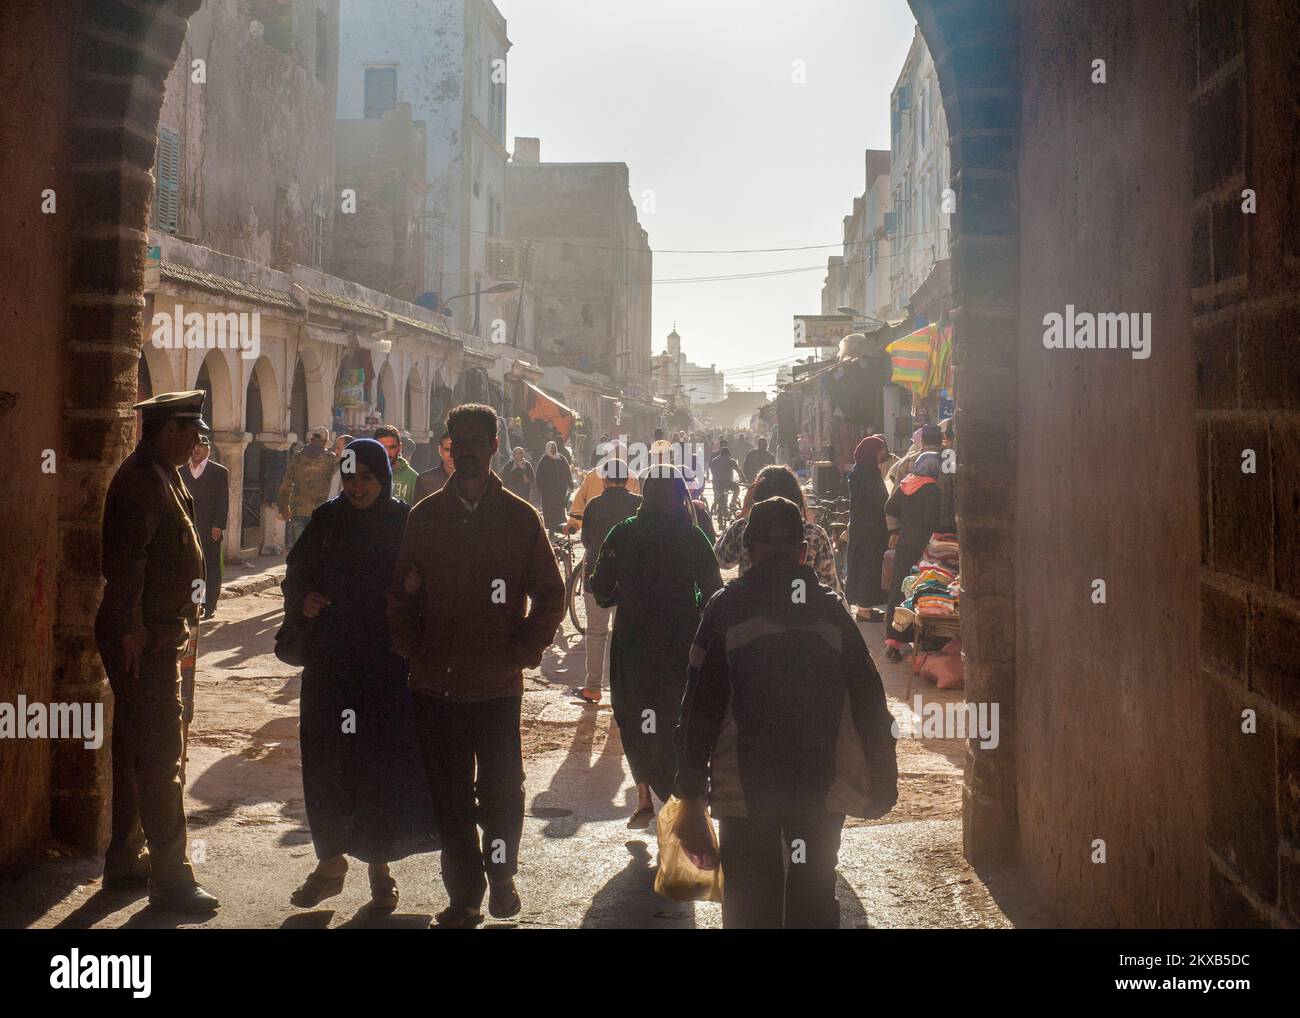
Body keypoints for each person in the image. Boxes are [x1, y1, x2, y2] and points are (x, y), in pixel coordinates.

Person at [672, 496, 898, 928]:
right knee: (813, 895)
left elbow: (698, 705)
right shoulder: (831, 611)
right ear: (802, 550)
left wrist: (690, 789)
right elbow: (870, 700)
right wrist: (882, 781)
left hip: (744, 790)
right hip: (818, 785)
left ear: (749, 550)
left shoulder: (725, 609)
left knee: (751, 905)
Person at [387, 404, 565, 929]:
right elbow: (399, 595)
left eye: (475, 442)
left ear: (494, 447)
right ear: (448, 446)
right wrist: (411, 647)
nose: (465, 451)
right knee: (450, 800)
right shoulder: (425, 518)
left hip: (496, 688)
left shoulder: (518, 518)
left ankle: (502, 871)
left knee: (503, 790)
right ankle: (465, 895)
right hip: (434, 687)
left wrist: (522, 651)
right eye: (456, 441)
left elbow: (551, 597)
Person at [283, 439, 436, 912]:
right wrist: (304, 598)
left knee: (377, 766)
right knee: (328, 763)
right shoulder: (328, 520)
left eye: (367, 478)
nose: (357, 487)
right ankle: (330, 864)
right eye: (349, 478)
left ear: (384, 478)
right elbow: (296, 572)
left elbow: (426, 584)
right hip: (332, 665)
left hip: (384, 667)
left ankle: (379, 870)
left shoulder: (403, 522)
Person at [95, 390, 219, 913]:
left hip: (157, 632)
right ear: (168, 428)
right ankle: (172, 876)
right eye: (192, 429)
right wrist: (132, 630)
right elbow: (127, 562)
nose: (198, 439)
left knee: (134, 749)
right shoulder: (144, 480)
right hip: (144, 637)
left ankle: (126, 858)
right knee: (162, 754)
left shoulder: (162, 474)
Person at [588, 465, 722, 828]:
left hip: (634, 642)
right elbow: (714, 592)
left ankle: (645, 794)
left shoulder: (622, 534)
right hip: (682, 643)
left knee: (634, 715)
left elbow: (599, 589)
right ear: (680, 496)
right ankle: (684, 795)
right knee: (678, 716)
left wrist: (623, 594)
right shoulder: (693, 536)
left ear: (645, 494)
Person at [571, 458, 642, 706]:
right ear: (627, 480)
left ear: (604, 480)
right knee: (624, 635)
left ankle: (592, 688)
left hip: (597, 576)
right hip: (630, 580)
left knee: (596, 633)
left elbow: (587, 540)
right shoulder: (639, 503)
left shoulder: (594, 504)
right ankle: (623, 691)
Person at [715, 464, 842, 597]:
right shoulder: (814, 533)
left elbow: (721, 560)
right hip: (800, 608)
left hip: (751, 608)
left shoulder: (742, 528)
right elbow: (830, 584)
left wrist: (742, 513)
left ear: (756, 497)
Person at [883, 451, 942, 661]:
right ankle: (922, 639)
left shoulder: (907, 484)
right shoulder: (932, 489)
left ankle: (893, 638)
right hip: (924, 546)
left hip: (905, 543)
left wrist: (906, 518)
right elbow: (932, 520)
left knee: (898, 588)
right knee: (922, 589)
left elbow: (889, 506)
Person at [181, 436, 229, 620]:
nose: (196, 449)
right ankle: (197, 603)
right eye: (194, 446)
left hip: (210, 528)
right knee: (194, 567)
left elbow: (222, 501)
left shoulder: (218, 472)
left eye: (200, 445)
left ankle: (210, 604)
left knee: (211, 567)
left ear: (208, 448)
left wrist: (218, 525)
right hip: (190, 528)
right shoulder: (182, 472)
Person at [844, 435, 890, 611]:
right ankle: (864, 605)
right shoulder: (866, 471)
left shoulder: (864, 469)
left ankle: (865, 605)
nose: (882, 454)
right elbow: (878, 498)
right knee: (867, 564)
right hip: (868, 527)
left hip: (865, 525)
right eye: (879, 450)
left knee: (865, 563)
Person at [277, 426, 337, 550]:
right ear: (325, 440)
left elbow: (285, 486)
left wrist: (284, 508)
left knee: (300, 549)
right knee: (318, 548)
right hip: (321, 511)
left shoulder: (297, 457)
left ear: (310, 439)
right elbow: (336, 486)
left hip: (299, 509)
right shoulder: (331, 459)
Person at [567, 444, 641, 531]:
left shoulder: (593, 475)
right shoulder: (631, 477)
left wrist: (573, 524)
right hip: (625, 535)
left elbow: (579, 503)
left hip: (597, 534)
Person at [373, 425, 420, 504]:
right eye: (383, 448)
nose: (387, 453)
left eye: (392, 447)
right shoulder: (365, 475)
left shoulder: (414, 479)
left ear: (400, 448)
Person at [534, 440, 572, 531]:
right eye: (552, 448)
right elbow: (539, 476)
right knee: (550, 510)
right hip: (548, 492)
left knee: (560, 508)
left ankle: (560, 527)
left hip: (561, 490)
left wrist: (570, 484)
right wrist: (542, 489)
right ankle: (551, 528)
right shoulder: (544, 460)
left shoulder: (561, 458)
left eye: (554, 447)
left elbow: (567, 472)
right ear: (548, 449)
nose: (554, 449)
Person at [413, 431, 454, 502]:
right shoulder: (424, 480)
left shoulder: (473, 480)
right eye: (447, 450)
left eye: (455, 449)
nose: (451, 455)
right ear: (440, 450)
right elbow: (419, 512)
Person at [707, 444, 741, 521]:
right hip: (727, 482)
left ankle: (720, 512)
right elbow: (738, 471)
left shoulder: (714, 460)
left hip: (716, 482)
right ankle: (732, 503)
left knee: (721, 496)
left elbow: (712, 470)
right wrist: (743, 479)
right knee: (737, 489)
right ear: (728, 453)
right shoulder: (730, 460)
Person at [326, 433, 354, 499]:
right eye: (335, 448)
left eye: (338, 448)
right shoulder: (336, 466)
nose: (335, 451)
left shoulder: (353, 469)